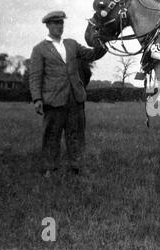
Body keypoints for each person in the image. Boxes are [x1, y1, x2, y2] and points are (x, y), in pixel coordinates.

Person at [29, 10, 106, 177]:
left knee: (76, 134)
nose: (59, 26)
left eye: (61, 23)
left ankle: (76, 167)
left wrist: (104, 42)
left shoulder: (71, 44)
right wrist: (37, 98)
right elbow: (35, 76)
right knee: (51, 136)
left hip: (75, 98)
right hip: (53, 99)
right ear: (48, 25)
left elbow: (92, 54)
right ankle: (50, 169)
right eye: (55, 23)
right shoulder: (39, 49)